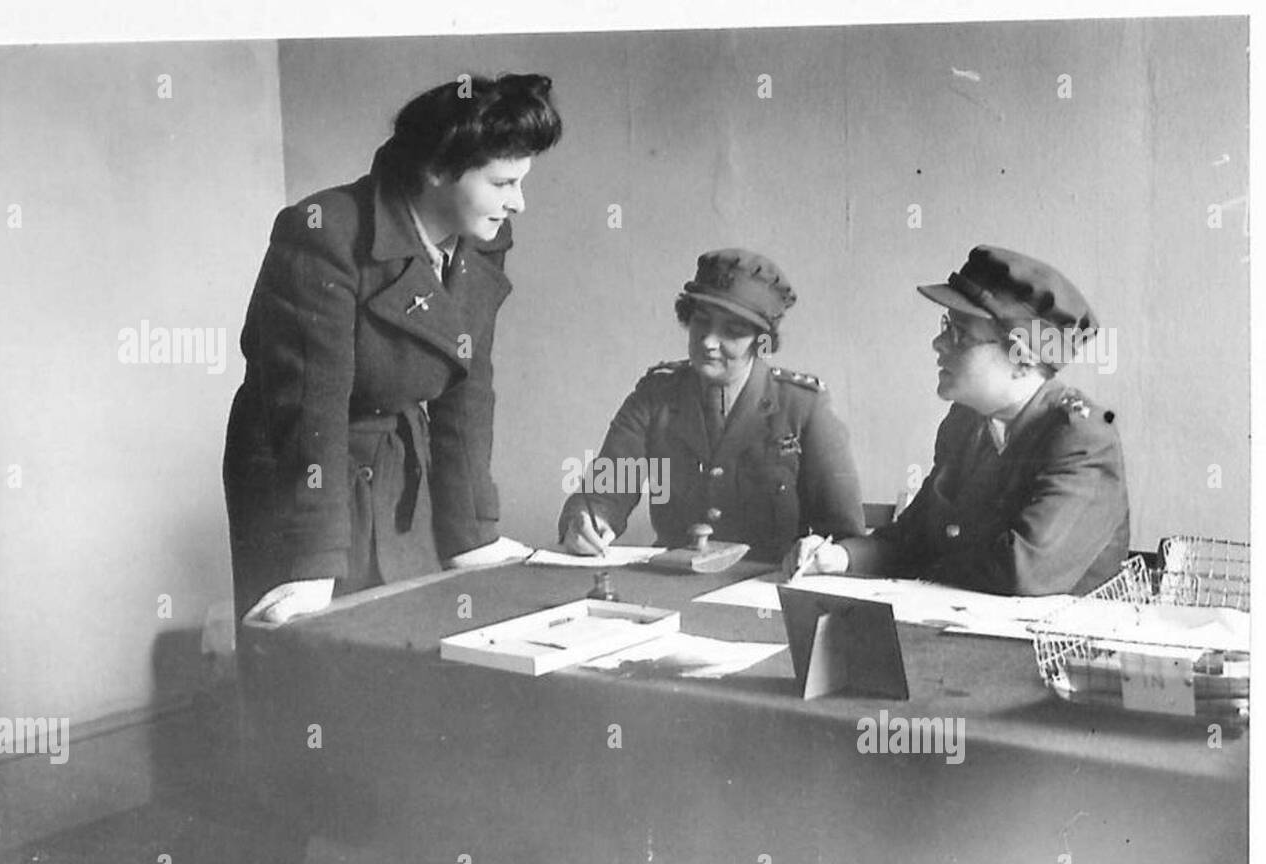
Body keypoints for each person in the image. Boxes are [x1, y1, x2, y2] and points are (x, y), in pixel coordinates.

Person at [224, 74, 562, 624]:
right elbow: (312, 407)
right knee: (315, 651)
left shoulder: (480, 236)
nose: (519, 202)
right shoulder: (324, 233)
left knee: (410, 636)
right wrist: (312, 565)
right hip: (301, 473)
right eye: (503, 183)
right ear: (435, 171)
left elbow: (468, 387)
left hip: (399, 460)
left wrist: (471, 534)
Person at [783, 245, 1129, 596]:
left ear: (1022, 359)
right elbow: (911, 538)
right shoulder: (965, 424)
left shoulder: (1083, 439)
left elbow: (1019, 572)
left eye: (960, 334)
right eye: (946, 326)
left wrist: (919, 567)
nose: (938, 343)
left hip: (1055, 648)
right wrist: (837, 557)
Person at [556, 248, 865, 563]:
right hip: (672, 583)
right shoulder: (656, 395)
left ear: (762, 342)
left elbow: (842, 536)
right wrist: (587, 520)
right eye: (701, 322)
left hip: (767, 592)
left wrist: (824, 557)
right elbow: (605, 493)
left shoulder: (803, 406)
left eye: (731, 331)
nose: (708, 341)